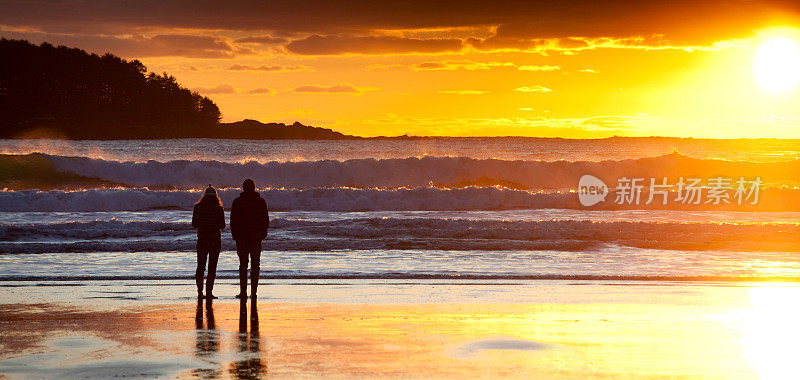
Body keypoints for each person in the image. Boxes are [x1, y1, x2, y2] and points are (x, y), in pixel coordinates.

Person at [230, 178, 269, 299]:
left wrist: (235, 236)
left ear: (243, 188)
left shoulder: (237, 202)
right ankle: (254, 293)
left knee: (243, 266)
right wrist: (263, 234)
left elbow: (233, 221)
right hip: (256, 238)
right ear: (254, 188)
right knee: (255, 265)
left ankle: (243, 292)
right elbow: (265, 220)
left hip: (242, 239)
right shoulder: (260, 201)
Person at [192, 185, 225, 299]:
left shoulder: (198, 207)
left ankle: (200, 293)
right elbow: (223, 225)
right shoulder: (219, 208)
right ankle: (209, 293)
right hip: (215, 240)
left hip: (202, 239)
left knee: (200, 266)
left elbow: (194, 224)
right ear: (215, 197)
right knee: (212, 267)